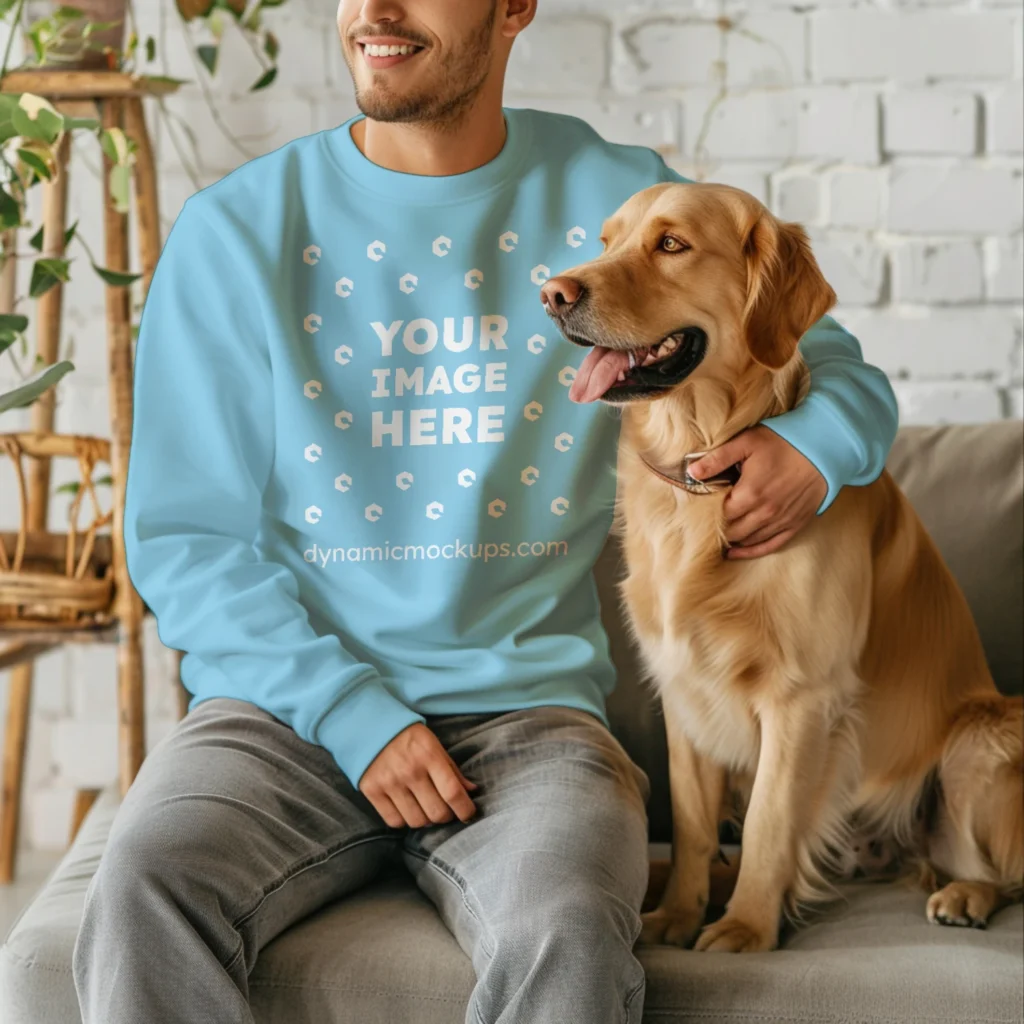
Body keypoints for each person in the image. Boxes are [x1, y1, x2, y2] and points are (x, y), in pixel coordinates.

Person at [71, 2, 899, 1021]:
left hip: (533, 723)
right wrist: (352, 716)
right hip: (278, 715)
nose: (374, 10)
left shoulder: (612, 198)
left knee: (566, 929)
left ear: (513, 8)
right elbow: (184, 540)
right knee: (140, 889)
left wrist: (812, 448)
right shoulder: (236, 231)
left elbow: (838, 367)